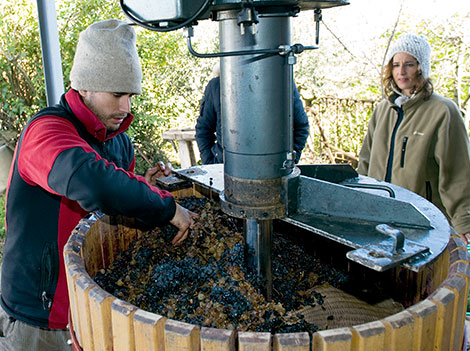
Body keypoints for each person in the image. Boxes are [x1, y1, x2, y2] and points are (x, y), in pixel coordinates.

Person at [0, 19, 196, 350]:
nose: (126, 108)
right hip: (41, 317)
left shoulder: (119, 142)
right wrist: (165, 207)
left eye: (131, 95)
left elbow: (116, 197)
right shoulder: (46, 132)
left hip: (94, 312)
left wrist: (142, 186)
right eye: (117, 94)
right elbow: (92, 183)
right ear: (85, 86)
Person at [357, 33, 470, 243]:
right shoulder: (382, 110)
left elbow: (457, 172)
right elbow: (365, 161)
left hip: (424, 221)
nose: (401, 71)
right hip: (379, 218)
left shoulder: (443, 111)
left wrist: (464, 220)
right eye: (396, 64)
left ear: (421, 67)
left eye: (409, 64)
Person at [195, 67, 310, 164]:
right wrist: (211, 162)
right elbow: (203, 129)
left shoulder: (283, 82)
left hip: (272, 171)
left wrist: (289, 161)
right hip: (225, 169)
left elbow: (301, 126)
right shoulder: (217, 86)